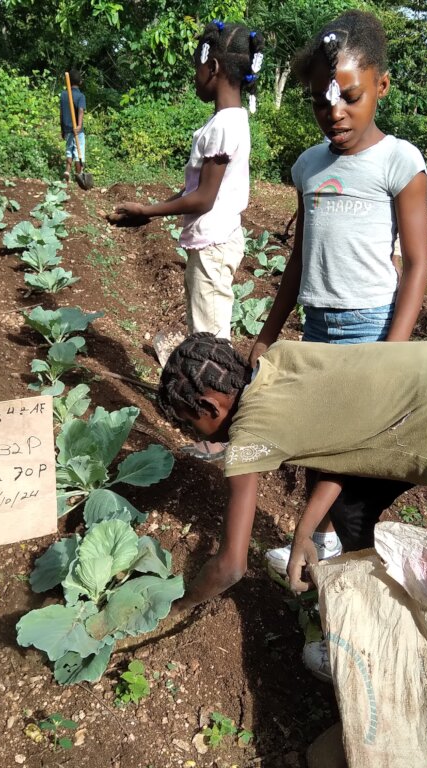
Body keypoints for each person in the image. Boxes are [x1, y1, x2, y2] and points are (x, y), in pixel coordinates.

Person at [158, 333, 427, 768]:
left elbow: (231, 566)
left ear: (209, 406)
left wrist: (178, 605)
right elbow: (344, 443)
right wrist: (304, 531)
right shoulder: (280, 360)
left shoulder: (250, 436)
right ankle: (385, 638)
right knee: (352, 515)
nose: (198, 436)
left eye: (191, 424)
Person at [247, 11, 427, 580]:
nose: (335, 112)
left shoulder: (399, 162)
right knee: (317, 439)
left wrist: (393, 349)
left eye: (350, 97)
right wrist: (268, 333)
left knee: (350, 451)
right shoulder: (309, 166)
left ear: (382, 85)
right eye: (320, 102)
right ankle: (322, 541)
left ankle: (340, 552)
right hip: (318, 326)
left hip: (371, 326)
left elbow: (418, 264)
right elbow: (299, 258)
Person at [111, 20, 264, 461]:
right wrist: (149, 212)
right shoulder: (229, 121)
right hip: (213, 242)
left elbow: (203, 198)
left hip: (213, 245)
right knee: (207, 336)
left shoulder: (223, 127)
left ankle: (222, 436)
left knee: (210, 346)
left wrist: (148, 211)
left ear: (212, 67)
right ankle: (222, 425)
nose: (194, 77)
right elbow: (193, 190)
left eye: (196, 67)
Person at [60, 70, 87, 184]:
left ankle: (67, 171)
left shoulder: (63, 94)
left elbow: (61, 113)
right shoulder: (81, 96)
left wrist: (62, 129)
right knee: (78, 152)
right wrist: (79, 125)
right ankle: (79, 176)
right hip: (77, 130)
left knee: (69, 150)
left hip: (67, 128)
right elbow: (81, 111)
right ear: (80, 82)